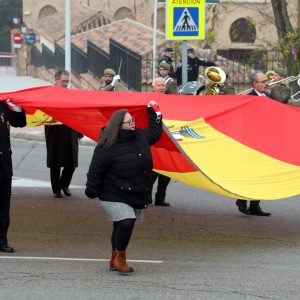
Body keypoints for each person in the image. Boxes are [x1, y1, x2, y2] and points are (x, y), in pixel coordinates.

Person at [85, 101, 162, 274]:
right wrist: (91, 191)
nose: (133, 123)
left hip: (134, 191)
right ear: (119, 125)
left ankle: (113, 258)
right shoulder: (106, 145)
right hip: (111, 192)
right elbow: (95, 171)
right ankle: (121, 259)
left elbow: (155, 134)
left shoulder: (140, 136)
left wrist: (155, 113)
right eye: (129, 122)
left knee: (120, 225)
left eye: (133, 120)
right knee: (126, 222)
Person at [236, 71, 271, 217]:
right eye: (263, 81)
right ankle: (241, 200)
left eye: (266, 81)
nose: (266, 83)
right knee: (249, 173)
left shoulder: (268, 96)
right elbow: (245, 120)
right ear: (255, 83)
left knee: (261, 174)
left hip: (266, 141)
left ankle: (255, 205)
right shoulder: (248, 98)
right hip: (251, 141)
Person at [45, 70, 83, 198]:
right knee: (55, 161)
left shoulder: (71, 94)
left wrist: (79, 133)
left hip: (70, 131)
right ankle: (56, 189)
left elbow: (78, 113)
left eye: (67, 81)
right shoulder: (48, 94)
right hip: (54, 131)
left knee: (72, 161)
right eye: (63, 81)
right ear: (56, 79)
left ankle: (64, 184)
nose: (66, 84)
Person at [0, 99, 26, 252]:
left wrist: (17, 108)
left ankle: (2, 241)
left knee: (4, 205)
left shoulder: (3, 106)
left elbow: (20, 122)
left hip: (4, 162)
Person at [150, 77, 172, 206]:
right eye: (159, 85)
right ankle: (146, 198)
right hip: (154, 141)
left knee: (167, 173)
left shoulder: (171, 99)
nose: (161, 87)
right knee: (151, 173)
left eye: (163, 85)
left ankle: (160, 198)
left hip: (167, 141)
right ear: (153, 87)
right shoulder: (148, 100)